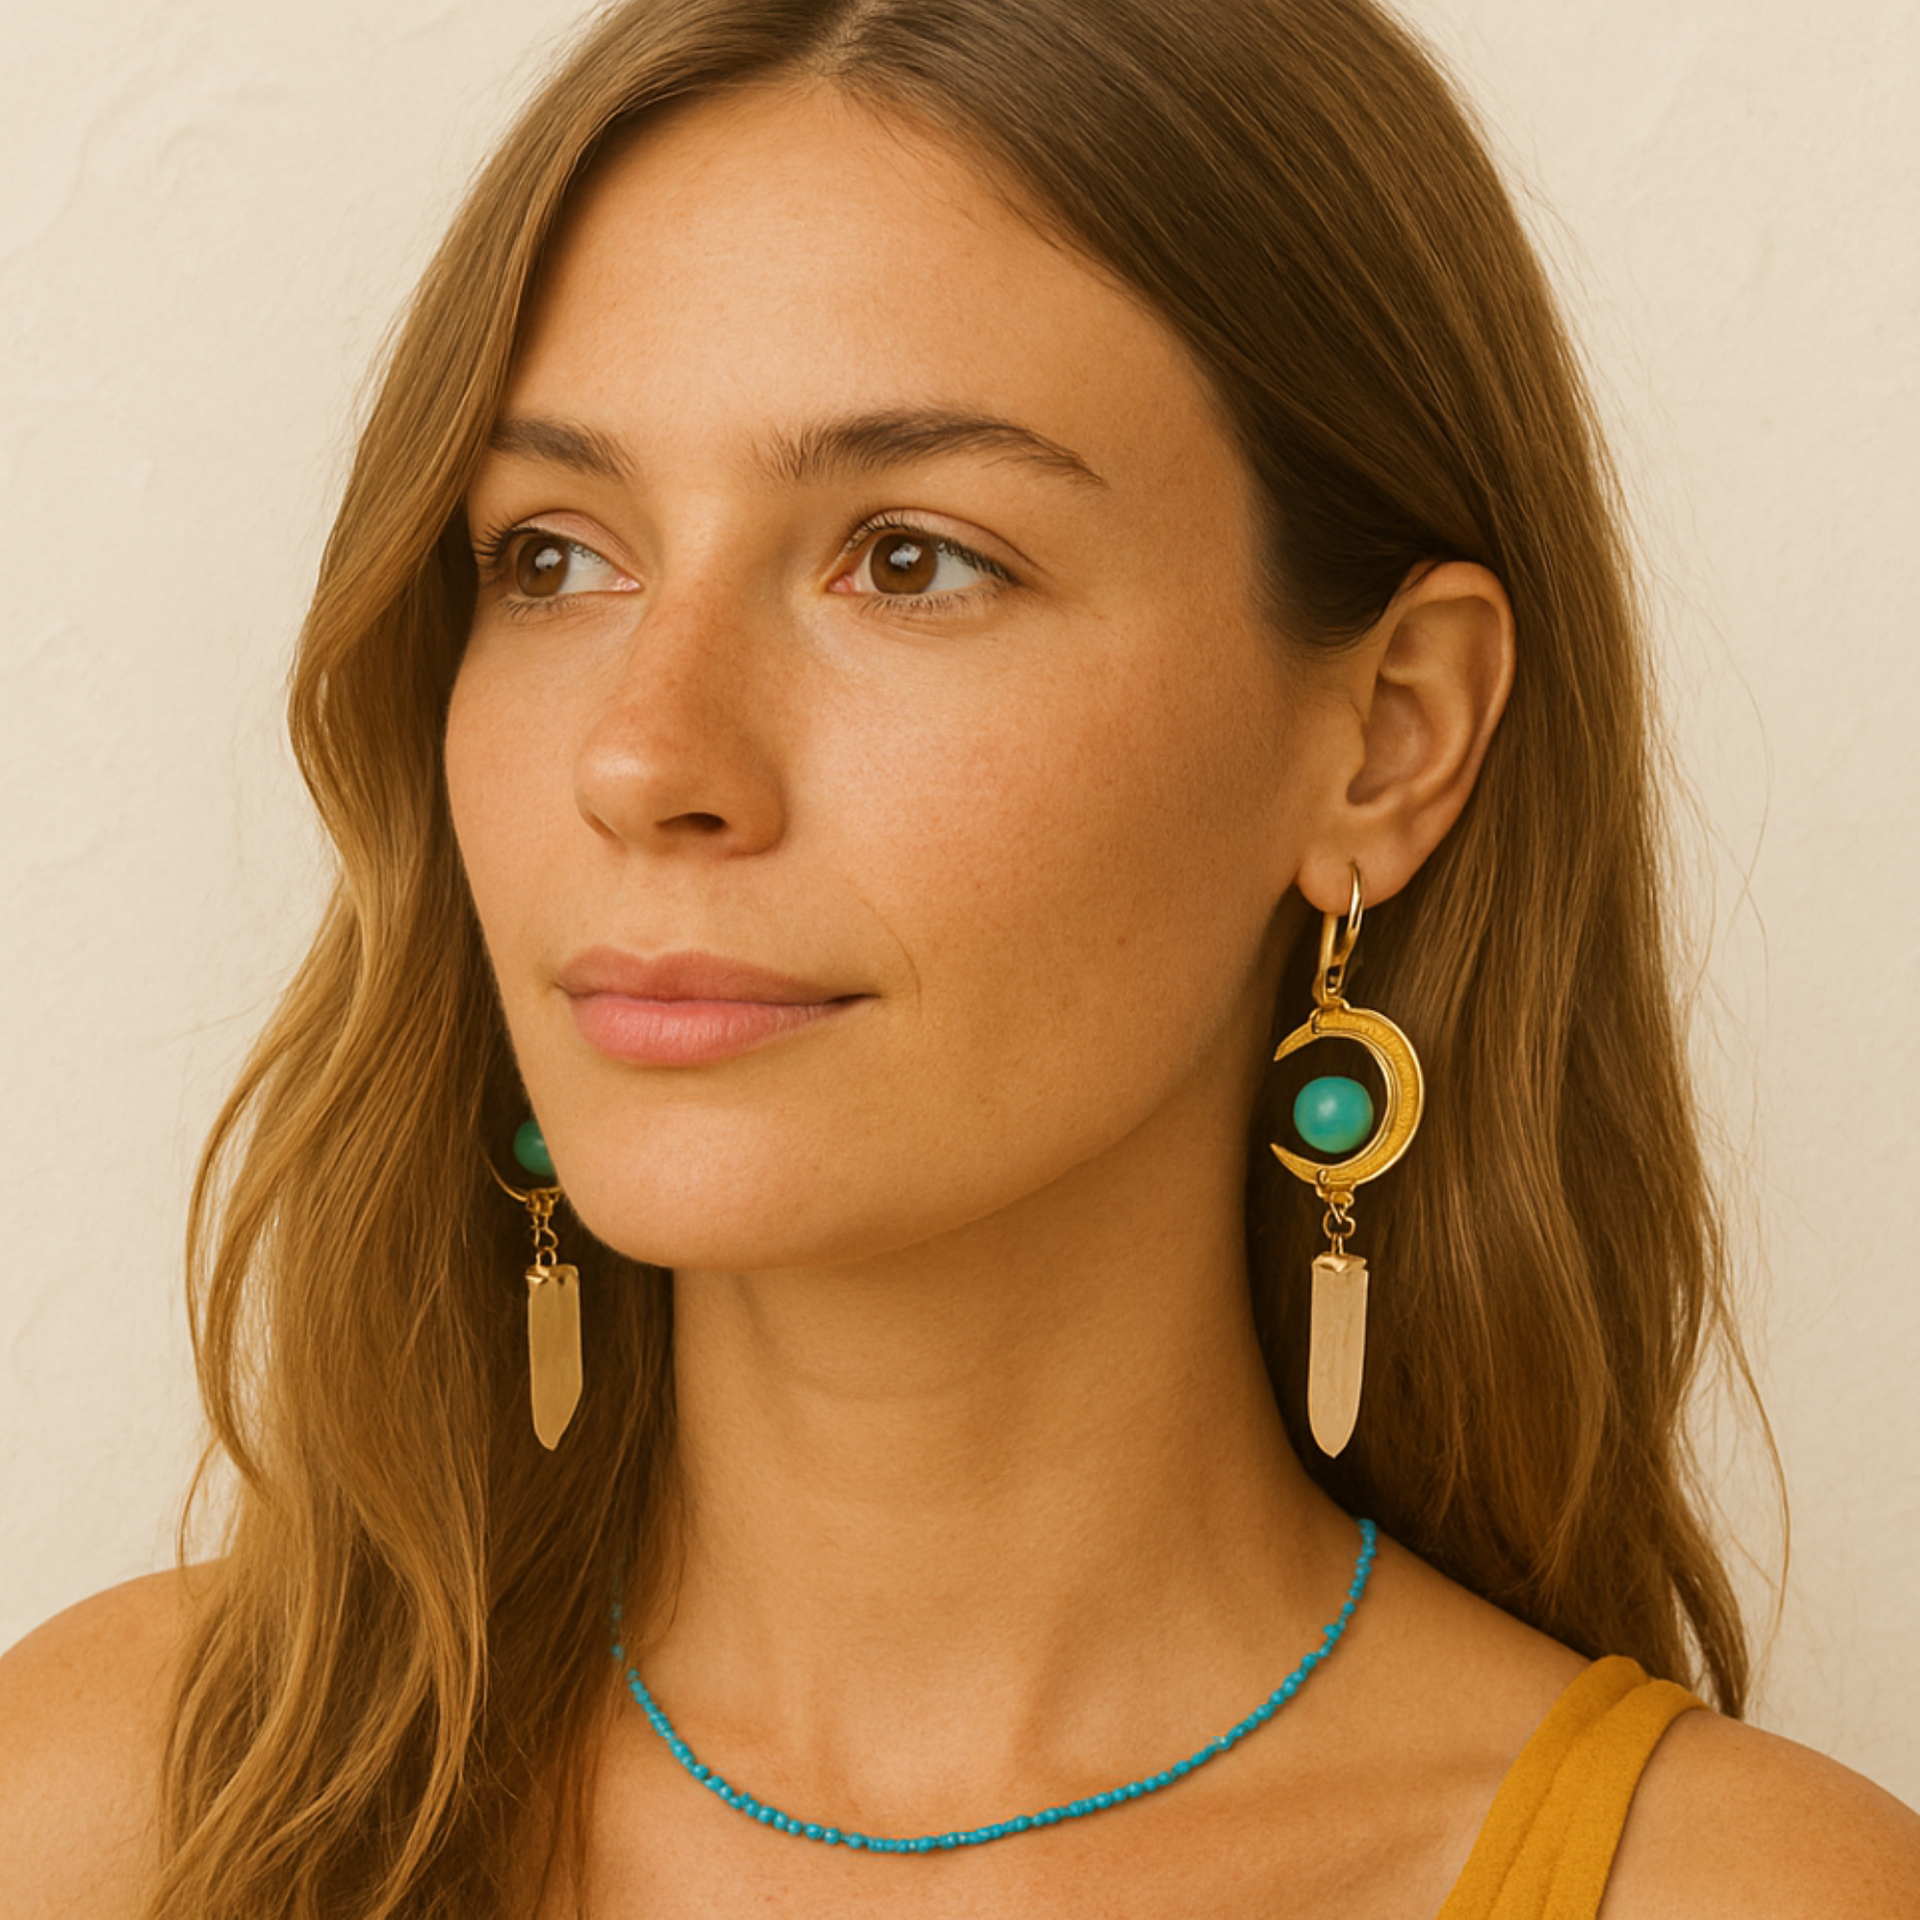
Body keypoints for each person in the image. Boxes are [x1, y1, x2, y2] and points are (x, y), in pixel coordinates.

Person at [3, 0, 1917, 1913]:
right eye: (554, 554)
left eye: (909, 557)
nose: (646, 754)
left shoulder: (1741, 1891)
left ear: (1391, 734)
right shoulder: (134, 1805)